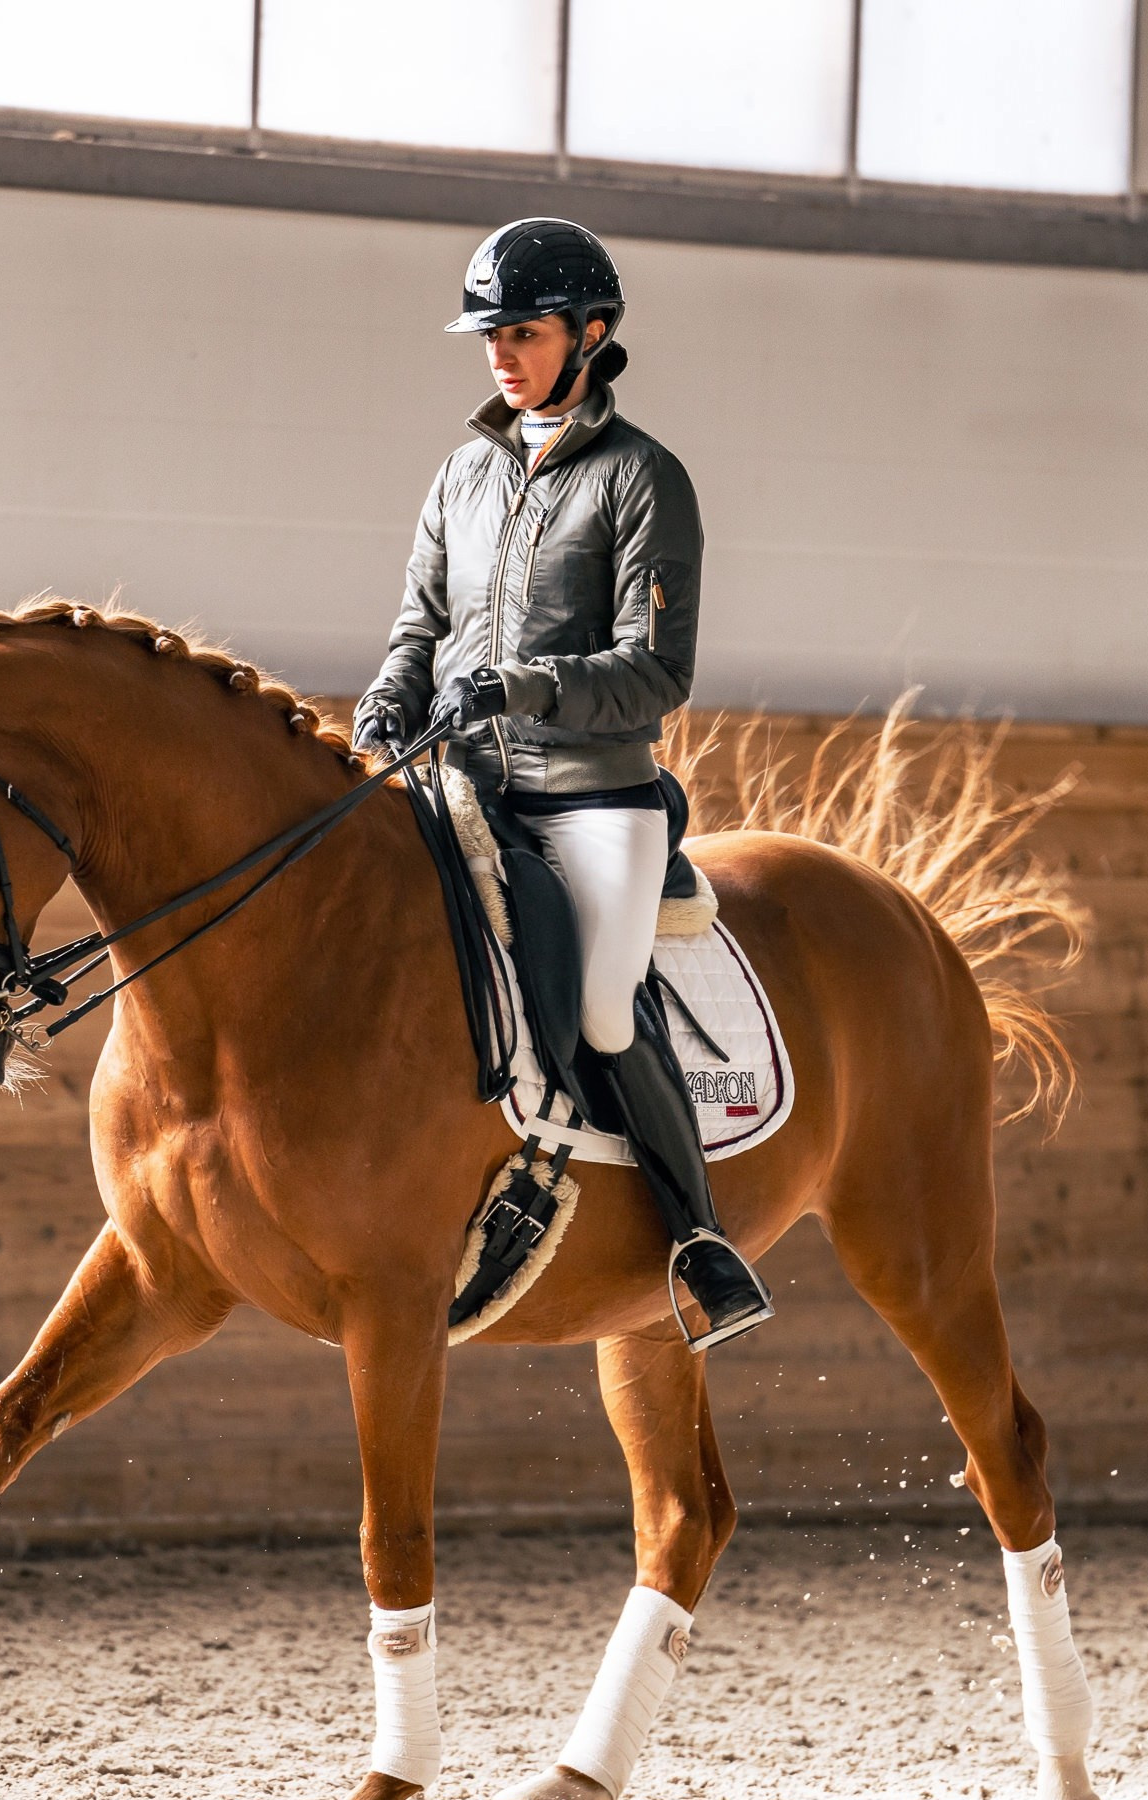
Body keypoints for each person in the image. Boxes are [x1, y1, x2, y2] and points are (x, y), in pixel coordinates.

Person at [353, 218, 773, 1349]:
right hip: (460, 787)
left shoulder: (643, 480)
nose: (501, 354)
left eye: (524, 332)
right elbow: (418, 624)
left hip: (590, 799)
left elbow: (654, 673)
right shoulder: (460, 475)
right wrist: (392, 692)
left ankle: (695, 1237)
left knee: (596, 1003)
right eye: (490, 334)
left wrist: (518, 689)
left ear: (590, 334)